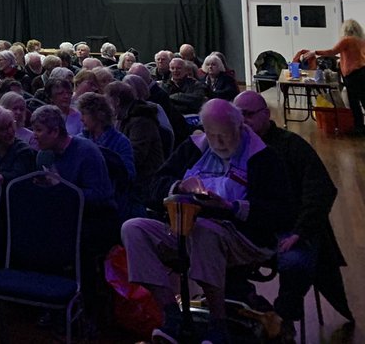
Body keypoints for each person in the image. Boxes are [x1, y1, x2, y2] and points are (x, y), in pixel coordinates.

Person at [122, 99, 294, 344]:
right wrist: (178, 186)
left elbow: (280, 212)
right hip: (185, 228)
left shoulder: (263, 157)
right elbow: (153, 185)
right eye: (212, 135)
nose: (219, 142)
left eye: (224, 135)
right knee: (133, 229)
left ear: (240, 126)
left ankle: (218, 324)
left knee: (205, 230)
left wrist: (230, 207)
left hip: (243, 236)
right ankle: (172, 315)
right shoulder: (194, 147)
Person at [232, 91, 354, 332]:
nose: (243, 121)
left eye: (248, 115)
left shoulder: (291, 146)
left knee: (296, 262)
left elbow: (321, 190)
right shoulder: (231, 147)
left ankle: (280, 319)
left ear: (266, 114)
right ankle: (248, 308)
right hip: (249, 229)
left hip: (290, 228)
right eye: (238, 116)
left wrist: (301, 231)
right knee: (211, 255)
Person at [296, 18, 365, 135]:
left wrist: (315, 52)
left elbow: (332, 51)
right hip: (362, 71)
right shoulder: (361, 41)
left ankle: (359, 127)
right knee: (363, 99)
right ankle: (360, 127)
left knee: (354, 102)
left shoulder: (346, 40)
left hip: (352, 74)